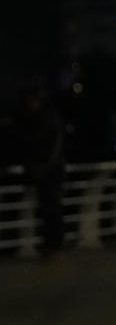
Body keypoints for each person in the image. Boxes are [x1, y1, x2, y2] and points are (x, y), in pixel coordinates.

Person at [18, 84, 66, 255]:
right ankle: (52, 243)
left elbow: (50, 147)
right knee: (49, 208)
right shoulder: (46, 118)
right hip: (48, 171)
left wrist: (41, 167)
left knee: (50, 208)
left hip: (48, 172)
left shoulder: (45, 119)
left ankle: (53, 243)